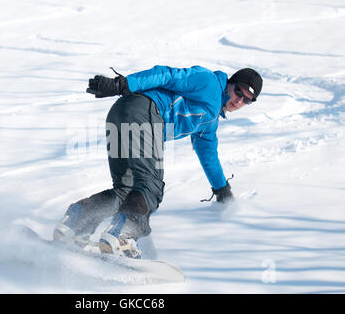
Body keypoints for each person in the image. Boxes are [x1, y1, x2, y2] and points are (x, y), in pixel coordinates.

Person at [53, 65, 263, 259]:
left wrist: (222, 189)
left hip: (122, 114)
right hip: (143, 112)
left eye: (247, 100)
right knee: (150, 186)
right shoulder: (208, 82)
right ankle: (122, 236)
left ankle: (76, 222)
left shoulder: (210, 123)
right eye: (239, 92)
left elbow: (208, 153)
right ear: (230, 83)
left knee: (125, 190)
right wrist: (122, 84)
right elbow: (168, 75)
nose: (239, 101)